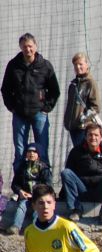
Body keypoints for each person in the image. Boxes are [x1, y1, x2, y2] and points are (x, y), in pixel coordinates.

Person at [1, 33, 60, 169]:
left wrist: (46, 108)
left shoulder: (45, 66)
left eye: (30, 46)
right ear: (20, 47)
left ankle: (45, 186)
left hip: (39, 114)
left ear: (35, 46)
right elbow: (5, 89)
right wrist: (12, 107)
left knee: (42, 150)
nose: (28, 49)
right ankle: (20, 185)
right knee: (20, 151)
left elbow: (54, 90)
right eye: (24, 47)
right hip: (20, 114)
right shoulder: (13, 65)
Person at [1, 143, 52, 234]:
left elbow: (47, 186)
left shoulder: (44, 168)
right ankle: (15, 227)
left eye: (34, 152)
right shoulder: (22, 167)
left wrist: (35, 194)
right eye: (29, 151)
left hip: (39, 197)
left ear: (38, 154)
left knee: (38, 209)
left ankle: (37, 228)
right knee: (22, 206)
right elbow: (14, 184)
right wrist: (20, 191)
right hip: (25, 197)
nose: (31, 154)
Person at [62, 52, 101, 148]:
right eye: (75, 65)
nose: (78, 67)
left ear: (87, 65)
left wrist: (84, 118)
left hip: (84, 128)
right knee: (78, 154)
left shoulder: (90, 83)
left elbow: (96, 107)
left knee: (84, 155)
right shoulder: (73, 84)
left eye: (80, 64)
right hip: (73, 127)